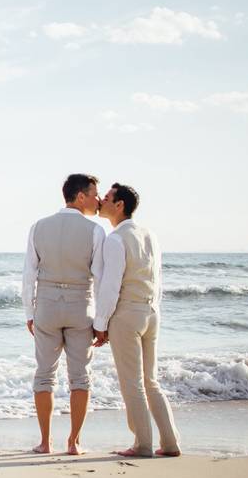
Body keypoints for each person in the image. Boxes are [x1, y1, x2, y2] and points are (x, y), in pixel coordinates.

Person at [94, 183, 180, 457]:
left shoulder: (115, 239)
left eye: (106, 198)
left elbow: (110, 286)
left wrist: (101, 324)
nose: (101, 201)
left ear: (119, 205)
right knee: (150, 381)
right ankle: (170, 443)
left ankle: (142, 444)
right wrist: (153, 308)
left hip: (127, 315)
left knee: (131, 383)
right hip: (151, 312)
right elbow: (158, 279)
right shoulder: (150, 235)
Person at [22, 174, 104, 455]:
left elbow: (28, 274)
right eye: (94, 194)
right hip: (81, 305)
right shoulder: (95, 231)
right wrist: (102, 321)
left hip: (46, 304)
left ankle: (45, 442)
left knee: (44, 375)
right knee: (80, 377)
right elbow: (101, 278)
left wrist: (29, 312)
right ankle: (74, 442)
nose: (98, 199)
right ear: (80, 196)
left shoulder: (38, 227)